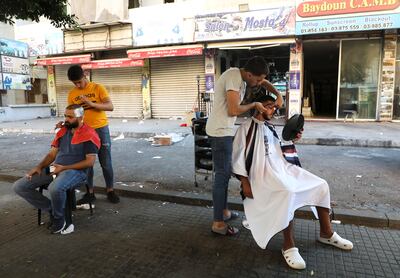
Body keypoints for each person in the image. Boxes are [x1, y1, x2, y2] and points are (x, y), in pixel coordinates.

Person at [232, 92, 353, 270]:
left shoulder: (270, 127)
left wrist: (293, 140)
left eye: (274, 106)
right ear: (257, 106)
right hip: (261, 177)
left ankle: (326, 233)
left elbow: (281, 150)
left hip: (282, 170)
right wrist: (244, 182)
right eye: (268, 105)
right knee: (287, 192)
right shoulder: (245, 129)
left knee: (321, 184)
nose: (273, 109)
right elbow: (236, 159)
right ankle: (288, 245)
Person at [206, 56, 283, 236]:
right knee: (222, 176)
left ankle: (224, 212)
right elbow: (233, 110)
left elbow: (263, 82)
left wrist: (278, 94)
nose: (258, 83)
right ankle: (218, 223)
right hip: (219, 132)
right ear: (248, 74)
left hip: (223, 129)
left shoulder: (241, 77)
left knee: (223, 174)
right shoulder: (233, 76)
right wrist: (254, 104)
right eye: (256, 79)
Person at [13, 104, 100, 234]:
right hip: (56, 168)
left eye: (70, 117)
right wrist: (39, 167)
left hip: (76, 171)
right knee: (19, 186)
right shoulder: (63, 131)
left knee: (55, 188)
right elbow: (52, 154)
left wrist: (65, 167)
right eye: (65, 115)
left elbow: (90, 162)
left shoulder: (89, 134)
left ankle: (59, 220)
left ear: (81, 117)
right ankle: (52, 209)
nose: (66, 119)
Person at [66, 65, 120, 204]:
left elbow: (110, 106)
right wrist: (66, 124)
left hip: (101, 129)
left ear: (85, 75)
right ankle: (90, 192)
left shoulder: (97, 88)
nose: (78, 85)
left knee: (106, 162)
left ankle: (110, 190)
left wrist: (91, 103)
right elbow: (72, 114)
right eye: (74, 83)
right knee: (87, 164)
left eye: (79, 81)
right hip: (84, 132)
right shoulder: (72, 94)